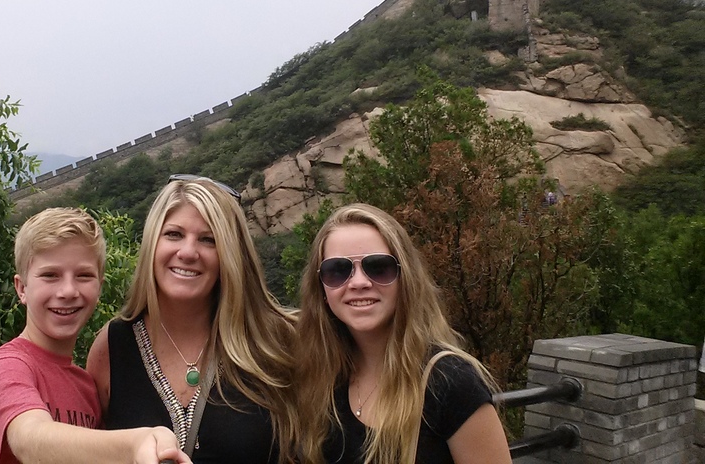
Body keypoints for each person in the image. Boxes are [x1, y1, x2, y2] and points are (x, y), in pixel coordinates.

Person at [87, 175, 298, 464]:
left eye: (208, 240)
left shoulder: (276, 341)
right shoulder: (112, 347)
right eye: (174, 234)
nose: (187, 252)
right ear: (152, 243)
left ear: (230, 255)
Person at [0, 207, 190, 464]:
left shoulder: (86, 387)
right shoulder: (5, 367)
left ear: (99, 288)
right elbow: (29, 439)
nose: (68, 291)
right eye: (50, 275)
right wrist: (136, 442)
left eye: (83, 276)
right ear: (21, 288)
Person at [293, 203, 511, 464]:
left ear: (405, 278)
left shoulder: (450, 384)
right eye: (338, 270)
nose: (359, 282)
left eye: (378, 267)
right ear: (321, 289)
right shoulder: (320, 379)